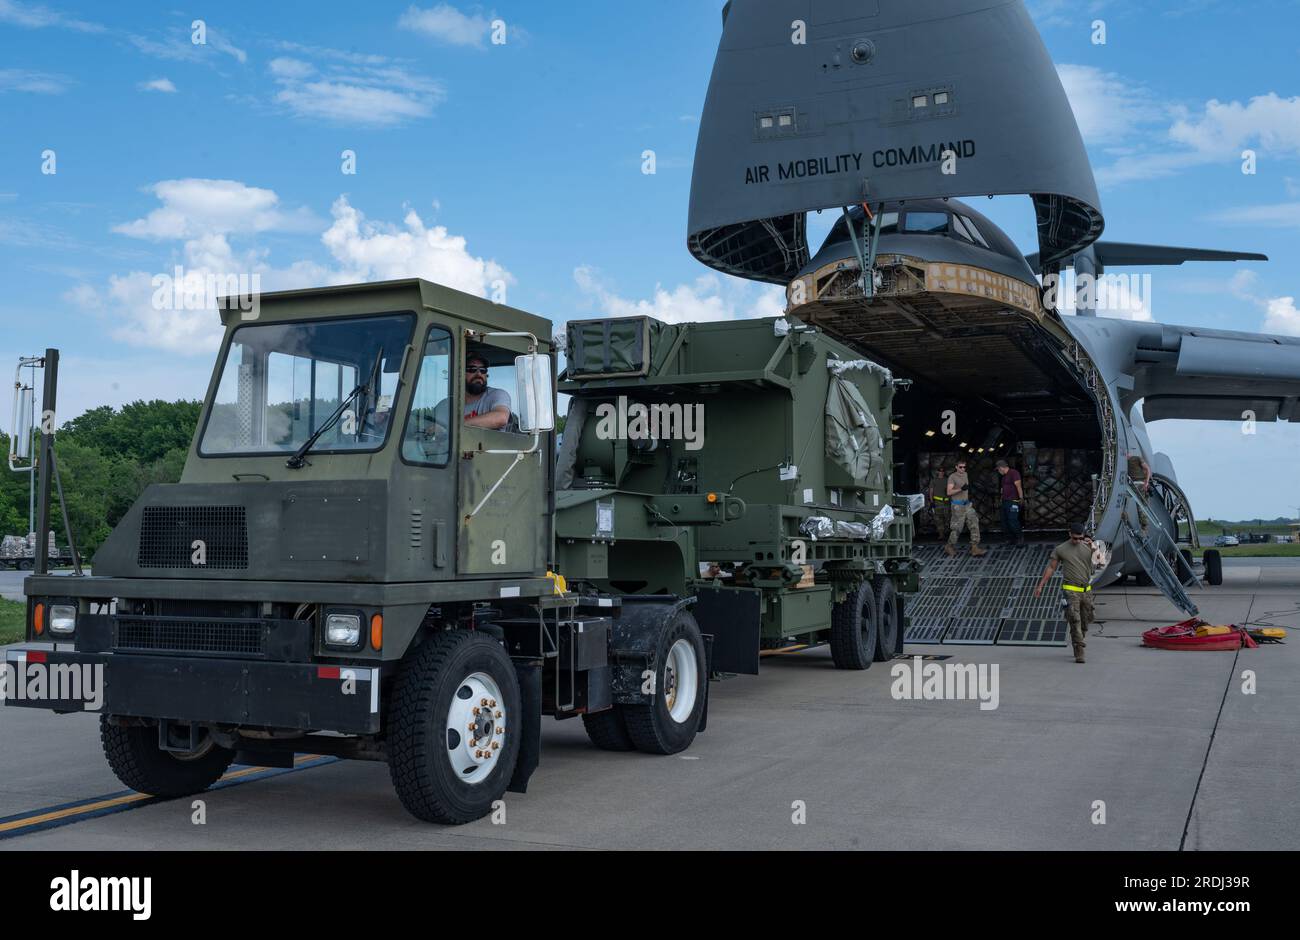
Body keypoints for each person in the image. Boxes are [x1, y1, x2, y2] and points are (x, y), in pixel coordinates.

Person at [1034, 523, 1095, 664]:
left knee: (1086, 622)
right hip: (1070, 590)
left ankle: (1077, 639)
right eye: (1075, 538)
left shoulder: (1089, 546)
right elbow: (1051, 568)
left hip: (1086, 590)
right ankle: (1079, 651)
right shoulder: (1060, 549)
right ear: (1069, 534)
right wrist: (1041, 585)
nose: (1078, 541)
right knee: (1075, 620)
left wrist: (1093, 548)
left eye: (1080, 538)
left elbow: (1101, 562)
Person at [945, 459, 986, 558]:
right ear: (956, 467)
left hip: (967, 504)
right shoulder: (952, 477)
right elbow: (949, 492)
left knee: (974, 523)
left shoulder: (966, 474)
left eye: (964, 467)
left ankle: (974, 547)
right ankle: (949, 546)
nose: (963, 469)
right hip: (958, 506)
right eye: (960, 467)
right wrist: (960, 489)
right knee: (957, 527)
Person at [462, 353, 512, 430]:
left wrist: (458, 426)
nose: (478, 374)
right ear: (460, 373)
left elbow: (501, 418)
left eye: (483, 370)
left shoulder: (497, 395)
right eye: (472, 369)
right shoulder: (447, 405)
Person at [996, 459, 1024, 544]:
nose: (998, 471)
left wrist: (1021, 498)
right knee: (1005, 521)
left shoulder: (1014, 473)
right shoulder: (1004, 477)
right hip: (1005, 501)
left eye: (998, 469)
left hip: (1013, 501)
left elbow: (1018, 486)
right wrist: (1001, 499)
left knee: (1013, 520)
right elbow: (1002, 489)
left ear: (1001, 468)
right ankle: (1010, 539)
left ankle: (1019, 538)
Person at [929, 464, 951, 538]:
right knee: (938, 519)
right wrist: (932, 502)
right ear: (937, 472)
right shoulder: (934, 480)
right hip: (938, 502)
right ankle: (941, 535)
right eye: (940, 471)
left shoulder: (948, 480)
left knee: (948, 519)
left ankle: (948, 535)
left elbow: (951, 491)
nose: (941, 472)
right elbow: (931, 492)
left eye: (943, 471)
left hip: (947, 502)